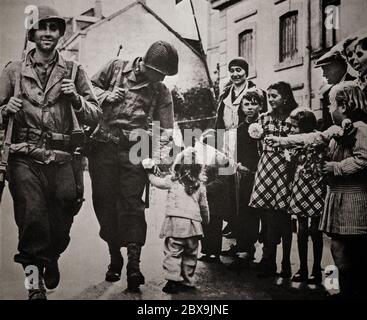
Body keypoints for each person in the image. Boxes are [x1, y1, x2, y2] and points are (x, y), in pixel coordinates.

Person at [0, 5, 100, 300]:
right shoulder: (13, 70)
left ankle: (51, 256)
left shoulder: (74, 70)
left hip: (62, 156)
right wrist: (5, 109)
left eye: (53, 28)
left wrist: (77, 100)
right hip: (23, 156)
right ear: (32, 34)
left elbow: (96, 115)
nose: (47, 33)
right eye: (42, 28)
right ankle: (34, 285)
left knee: (65, 213)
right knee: (32, 219)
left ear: (59, 34)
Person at [89, 40, 178, 292]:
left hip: (137, 149)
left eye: (164, 75)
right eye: (158, 73)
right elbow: (86, 91)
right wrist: (106, 95)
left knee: (132, 204)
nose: (160, 79)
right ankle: (114, 255)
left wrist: (159, 158)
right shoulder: (115, 68)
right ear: (145, 65)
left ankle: (134, 266)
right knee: (104, 202)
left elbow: (165, 130)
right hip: (103, 145)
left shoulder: (161, 91)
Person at [266, 82, 367, 299]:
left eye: (331, 104)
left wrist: (336, 167)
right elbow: (312, 137)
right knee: (338, 249)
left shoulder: (361, 129)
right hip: (338, 196)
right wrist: (282, 141)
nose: (329, 110)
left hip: (353, 199)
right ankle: (338, 289)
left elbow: (364, 159)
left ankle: (350, 290)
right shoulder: (335, 130)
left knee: (351, 250)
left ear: (343, 106)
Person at [215, 58, 266, 255]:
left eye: (239, 70)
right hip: (228, 144)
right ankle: (237, 239)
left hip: (247, 145)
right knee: (230, 195)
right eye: (232, 71)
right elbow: (219, 122)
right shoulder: (225, 95)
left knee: (245, 194)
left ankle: (248, 244)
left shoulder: (255, 93)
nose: (236, 74)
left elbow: (261, 121)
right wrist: (218, 148)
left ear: (246, 72)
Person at [249, 81, 298, 278]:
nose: (270, 100)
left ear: (285, 97)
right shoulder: (263, 119)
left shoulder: (294, 118)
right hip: (267, 167)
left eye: (274, 96)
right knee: (267, 216)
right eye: (269, 96)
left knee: (284, 217)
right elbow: (258, 146)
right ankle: (268, 258)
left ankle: (285, 262)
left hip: (286, 168)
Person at [146, 148, 209, 294]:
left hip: (176, 224)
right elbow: (204, 206)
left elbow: (157, 182)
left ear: (177, 166)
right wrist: (205, 221)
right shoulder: (200, 186)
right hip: (194, 226)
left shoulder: (172, 182)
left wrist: (149, 173)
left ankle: (173, 280)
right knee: (191, 253)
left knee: (173, 252)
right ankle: (187, 280)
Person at [228, 89, 266, 270]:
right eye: (247, 104)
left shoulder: (265, 126)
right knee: (244, 210)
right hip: (245, 174)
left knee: (262, 212)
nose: (250, 108)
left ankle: (267, 251)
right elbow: (236, 153)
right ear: (242, 107)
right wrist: (239, 166)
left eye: (254, 104)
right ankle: (245, 247)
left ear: (260, 105)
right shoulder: (240, 129)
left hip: (263, 174)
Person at [286, 108, 325, 284]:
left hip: (316, 185)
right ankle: (303, 267)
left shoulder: (318, 139)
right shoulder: (294, 142)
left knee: (315, 230)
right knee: (301, 229)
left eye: (295, 127)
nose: (291, 131)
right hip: (301, 185)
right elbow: (291, 165)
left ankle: (316, 268)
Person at [316, 48, 355, 130]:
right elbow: (327, 124)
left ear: (338, 67)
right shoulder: (327, 93)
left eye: (326, 70)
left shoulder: (355, 86)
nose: (324, 75)